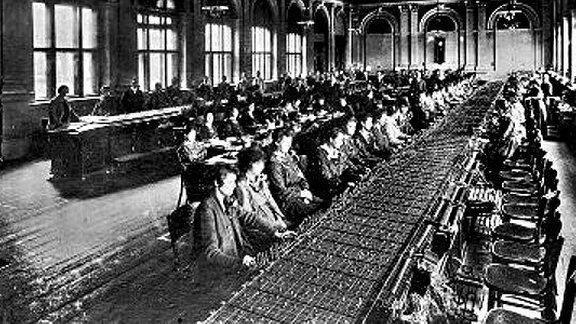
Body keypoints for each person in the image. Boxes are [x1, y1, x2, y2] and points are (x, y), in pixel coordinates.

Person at [193, 165, 295, 271]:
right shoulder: (207, 209)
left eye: (234, 182)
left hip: (236, 255)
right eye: (230, 182)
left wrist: (274, 231)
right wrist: (239, 262)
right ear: (216, 183)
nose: (234, 186)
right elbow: (211, 252)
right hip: (220, 268)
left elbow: (249, 217)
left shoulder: (228, 199)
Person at [267, 128, 323, 228]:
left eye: (290, 142)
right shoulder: (274, 165)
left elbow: (301, 177)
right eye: (285, 142)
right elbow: (281, 193)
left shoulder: (288, 157)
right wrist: (301, 194)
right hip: (289, 202)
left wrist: (305, 189)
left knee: (325, 205)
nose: (288, 145)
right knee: (316, 212)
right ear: (276, 143)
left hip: (301, 193)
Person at [236, 146, 287, 250]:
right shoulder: (241, 186)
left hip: (271, 217)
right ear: (251, 164)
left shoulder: (260, 179)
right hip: (259, 227)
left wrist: (280, 217)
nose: (263, 166)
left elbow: (270, 200)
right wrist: (273, 225)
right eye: (259, 163)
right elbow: (249, 215)